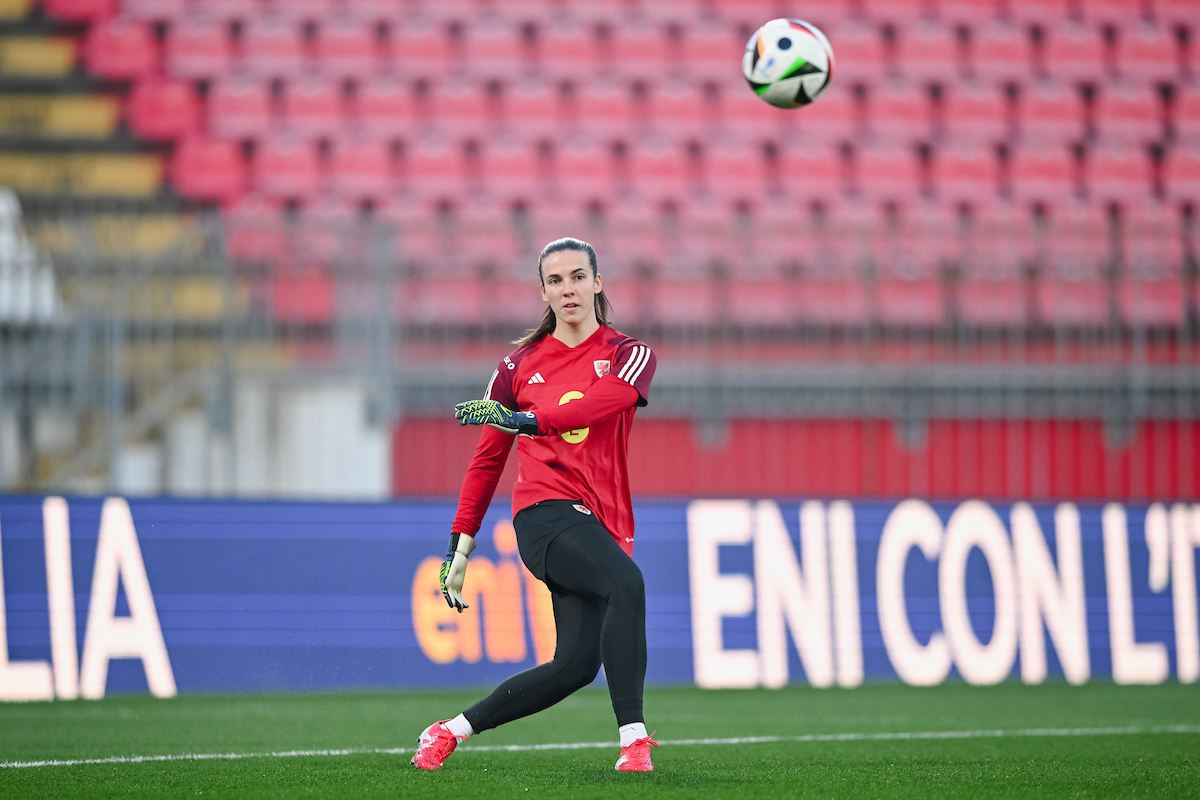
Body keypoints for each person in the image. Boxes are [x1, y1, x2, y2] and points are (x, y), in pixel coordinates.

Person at [410, 237, 659, 772]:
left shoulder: (629, 355)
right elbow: (486, 463)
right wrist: (460, 545)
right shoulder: (516, 367)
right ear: (542, 291)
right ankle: (634, 742)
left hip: (600, 522)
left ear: (598, 282)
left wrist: (529, 420)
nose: (567, 289)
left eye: (577, 276)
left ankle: (448, 732)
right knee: (628, 584)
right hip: (544, 515)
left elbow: (606, 401)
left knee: (574, 666)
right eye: (555, 280)